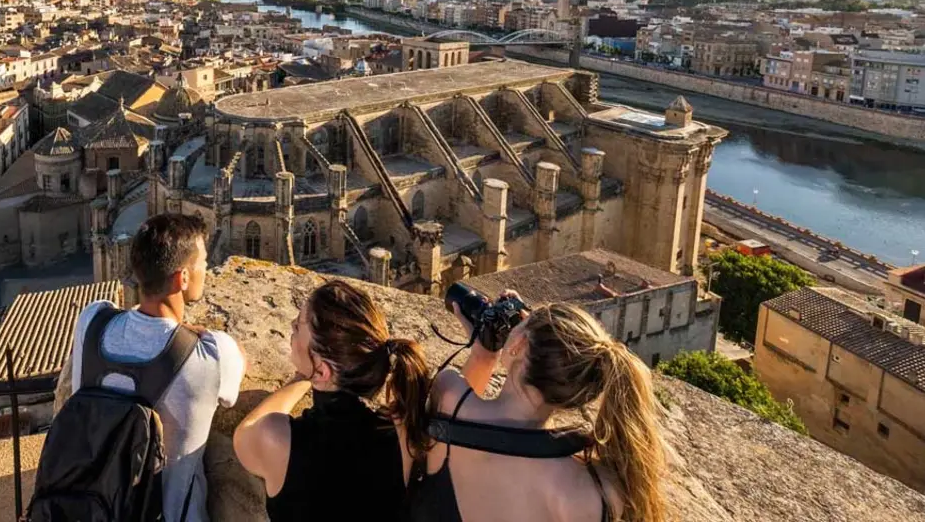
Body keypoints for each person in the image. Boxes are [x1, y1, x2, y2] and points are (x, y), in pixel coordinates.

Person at [404, 296, 667, 522]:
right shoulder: (597, 493)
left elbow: (446, 428)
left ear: (520, 345)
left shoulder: (449, 394)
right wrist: (529, 334)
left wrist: (484, 355)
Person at [65, 213, 246, 522]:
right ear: (182, 278)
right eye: (202, 263)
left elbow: (133, 323)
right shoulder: (212, 355)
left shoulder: (91, 321)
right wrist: (192, 333)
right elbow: (239, 363)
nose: (207, 270)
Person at [232, 279, 432, 522]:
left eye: (298, 327)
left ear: (323, 371)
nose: (292, 327)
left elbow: (244, 435)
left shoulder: (275, 437)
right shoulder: (402, 429)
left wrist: (302, 379)